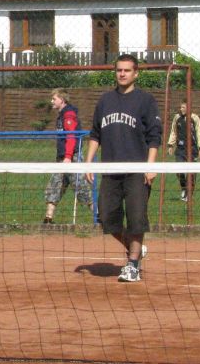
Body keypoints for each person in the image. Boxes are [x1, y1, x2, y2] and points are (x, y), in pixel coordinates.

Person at [84, 53, 162, 283]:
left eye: (127, 70)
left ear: (135, 73)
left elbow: (154, 136)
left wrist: (150, 166)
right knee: (106, 217)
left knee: (136, 219)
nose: (122, 74)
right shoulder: (105, 101)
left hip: (137, 170)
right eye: (119, 70)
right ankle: (134, 247)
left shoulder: (145, 101)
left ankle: (133, 265)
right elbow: (95, 134)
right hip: (111, 170)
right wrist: (88, 162)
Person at [42, 88, 92, 224]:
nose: (52, 101)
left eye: (54, 99)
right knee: (55, 185)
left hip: (71, 157)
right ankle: (48, 218)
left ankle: (98, 216)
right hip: (62, 157)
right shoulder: (61, 116)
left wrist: (68, 157)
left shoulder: (69, 115)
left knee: (81, 187)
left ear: (62, 100)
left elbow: (71, 137)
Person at [166, 101, 200, 202]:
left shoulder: (195, 118)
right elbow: (173, 132)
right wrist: (170, 145)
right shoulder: (177, 117)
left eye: (183, 107)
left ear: (189, 108)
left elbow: (199, 133)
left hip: (192, 149)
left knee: (191, 173)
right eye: (181, 107)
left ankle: (189, 194)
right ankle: (183, 188)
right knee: (179, 170)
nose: (181, 109)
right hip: (180, 148)